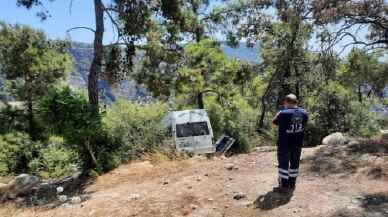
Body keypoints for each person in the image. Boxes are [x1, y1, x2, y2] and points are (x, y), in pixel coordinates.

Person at [272, 94, 308, 193]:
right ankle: (292, 184)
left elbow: (274, 122)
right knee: (295, 163)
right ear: (296, 102)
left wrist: (279, 113)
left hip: (284, 144)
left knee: (283, 164)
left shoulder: (283, 113)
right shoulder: (304, 113)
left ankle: (284, 186)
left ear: (286, 102)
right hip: (297, 143)